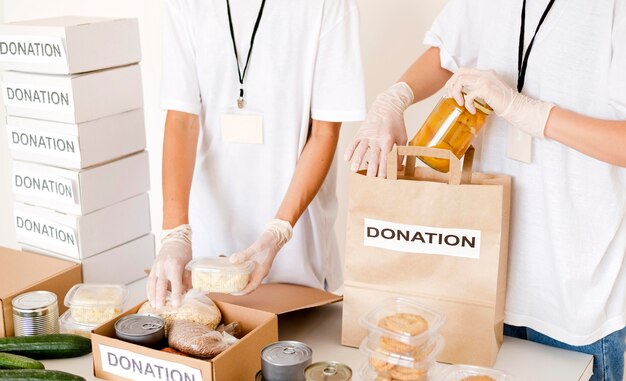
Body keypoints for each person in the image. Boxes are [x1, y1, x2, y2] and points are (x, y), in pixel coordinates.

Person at [344, 1, 626, 380]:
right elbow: (447, 52)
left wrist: (531, 113)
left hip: (574, 300)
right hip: (478, 286)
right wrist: (395, 97)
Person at [148, 0, 365, 308]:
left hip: (296, 247)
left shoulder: (328, 6)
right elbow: (182, 120)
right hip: (209, 252)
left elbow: (324, 132)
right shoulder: (186, 5)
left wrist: (278, 231)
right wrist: (175, 234)